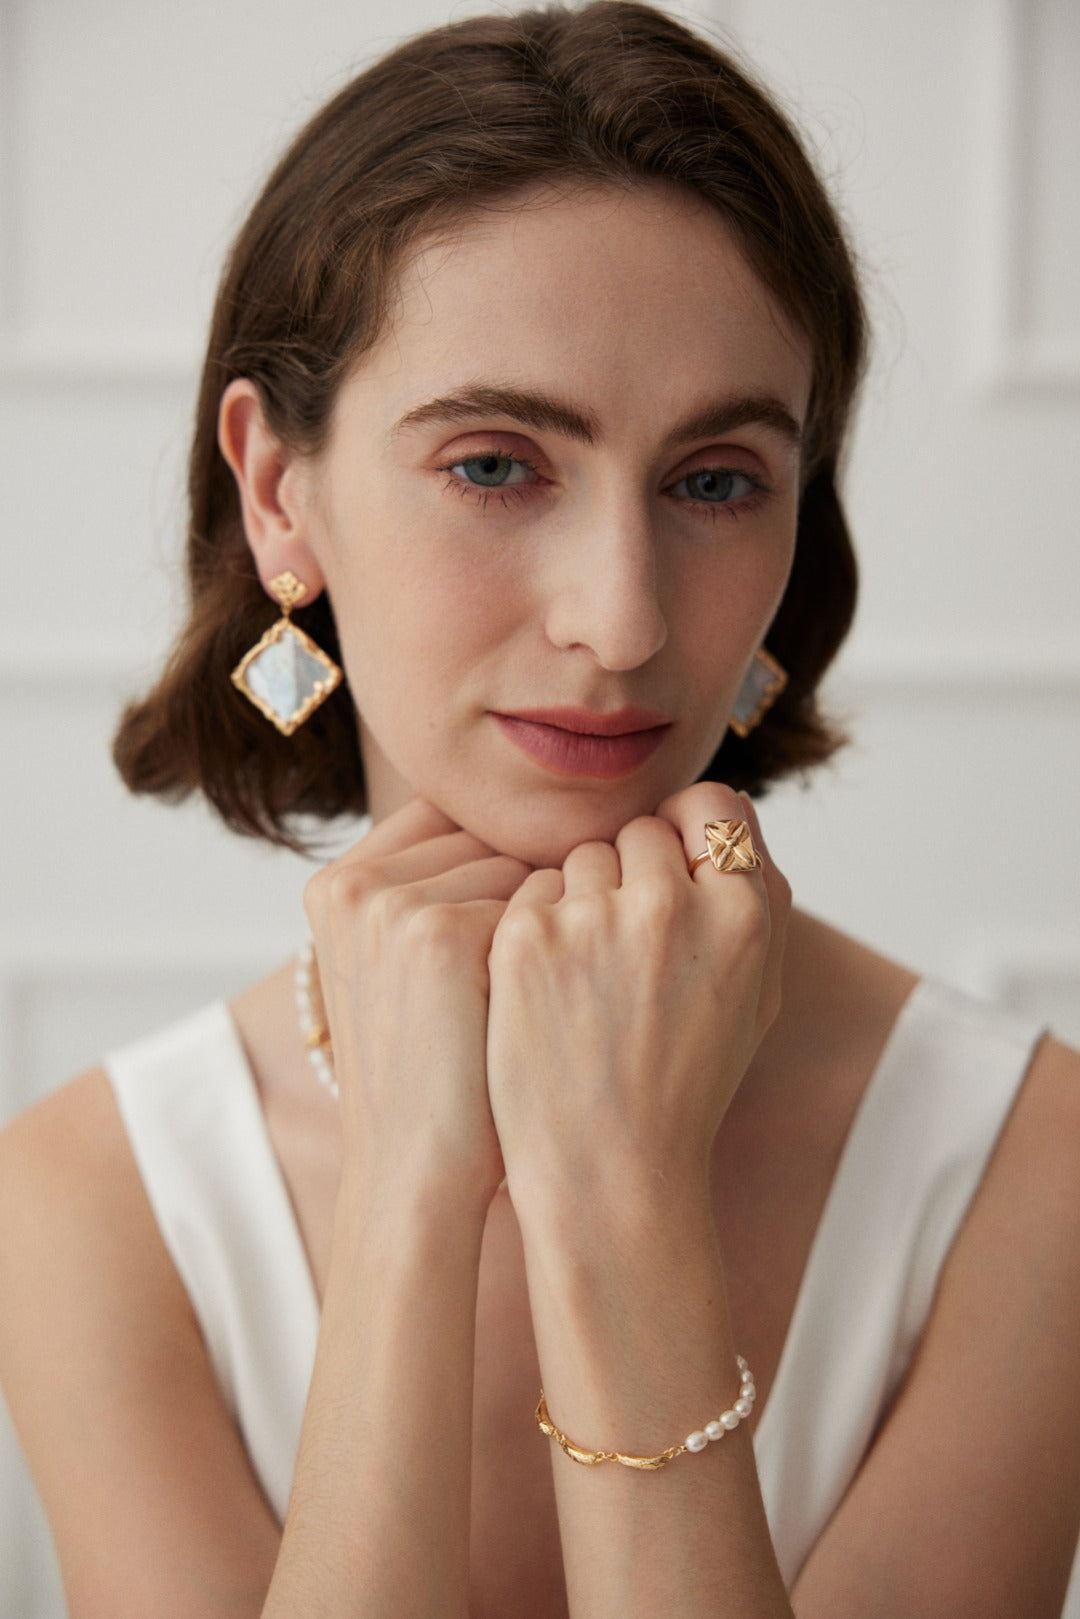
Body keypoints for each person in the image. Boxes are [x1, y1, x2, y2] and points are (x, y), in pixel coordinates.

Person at [1, 2, 1078, 1614]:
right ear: (280, 493)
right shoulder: (89, 1197)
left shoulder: (1033, 1165)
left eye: (716, 480)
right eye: (497, 465)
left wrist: (618, 1195)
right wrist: (409, 1202)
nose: (625, 621)